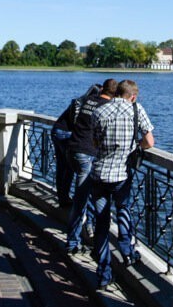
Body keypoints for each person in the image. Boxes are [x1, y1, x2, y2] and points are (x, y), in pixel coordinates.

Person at [89, 79, 154, 290]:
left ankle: (104, 274)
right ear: (132, 96)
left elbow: (95, 142)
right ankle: (128, 252)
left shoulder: (99, 111)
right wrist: (134, 147)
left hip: (99, 175)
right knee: (123, 210)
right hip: (121, 175)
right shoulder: (136, 110)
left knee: (101, 224)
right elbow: (149, 142)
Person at [65, 78, 117, 254]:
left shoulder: (89, 100)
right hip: (87, 155)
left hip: (72, 150)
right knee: (80, 200)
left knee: (87, 196)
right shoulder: (107, 107)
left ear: (102, 88)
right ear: (114, 95)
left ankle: (89, 229)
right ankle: (73, 242)